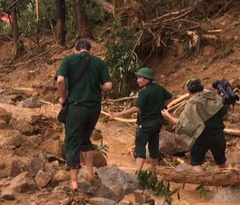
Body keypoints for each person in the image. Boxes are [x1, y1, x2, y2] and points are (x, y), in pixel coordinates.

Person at [55, 38, 113, 191]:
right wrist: (96, 85)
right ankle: (90, 173)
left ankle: (74, 181)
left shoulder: (69, 60)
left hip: (76, 107)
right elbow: (108, 86)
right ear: (90, 50)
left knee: (72, 141)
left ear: (75, 49)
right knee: (85, 139)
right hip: (94, 108)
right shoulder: (99, 63)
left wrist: (64, 97)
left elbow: (60, 81)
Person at [108, 67, 172, 174]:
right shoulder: (159, 89)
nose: (137, 80)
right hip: (157, 123)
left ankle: (138, 173)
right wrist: (162, 106)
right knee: (154, 146)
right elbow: (170, 97)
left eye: (140, 78)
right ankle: (154, 171)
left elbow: (136, 108)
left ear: (147, 79)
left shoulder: (144, 92)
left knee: (140, 146)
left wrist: (118, 114)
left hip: (146, 124)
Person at [161, 77, 228, 172]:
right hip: (218, 134)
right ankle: (226, 180)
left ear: (188, 91)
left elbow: (181, 123)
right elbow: (224, 113)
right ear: (201, 87)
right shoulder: (212, 96)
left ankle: (204, 184)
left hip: (201, 138)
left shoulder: (191, 104)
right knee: (221, 161)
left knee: (196, 162)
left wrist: (167, 116)